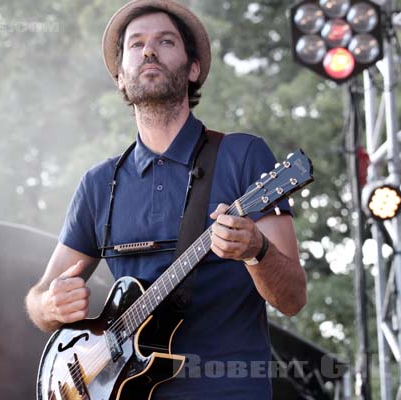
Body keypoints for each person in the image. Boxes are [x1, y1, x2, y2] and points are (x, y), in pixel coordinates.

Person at [25, 0, 307, 398]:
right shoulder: (98, 183)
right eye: (135, 45)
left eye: (166, 41)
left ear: (193, 69)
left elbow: (293, 298)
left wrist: (257, 250)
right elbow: (39, 298)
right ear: (121, 77)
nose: (149, 51)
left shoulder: (243, 156)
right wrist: (50, 306)